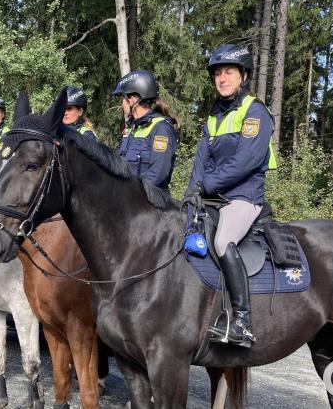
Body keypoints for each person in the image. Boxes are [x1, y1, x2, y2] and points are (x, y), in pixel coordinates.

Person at [185, 44, 277, 348]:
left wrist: (208, 185)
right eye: (218, 73)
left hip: (243, 196)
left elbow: (247, 160)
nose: (222, 78)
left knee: (223, 241)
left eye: (229, 72)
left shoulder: (255, 111)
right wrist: (189, 195)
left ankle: (242, 320)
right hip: (213, 196)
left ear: (243, 75)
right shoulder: (213, 117)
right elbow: (200, 161)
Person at [113, 69, 178, 190]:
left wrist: (132, 192)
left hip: (151, 202)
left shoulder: (161, 128)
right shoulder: (131, 129)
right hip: (128, 199)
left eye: (123, 99)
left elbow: (158, 173)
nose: (122, 104)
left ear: (132, 100)